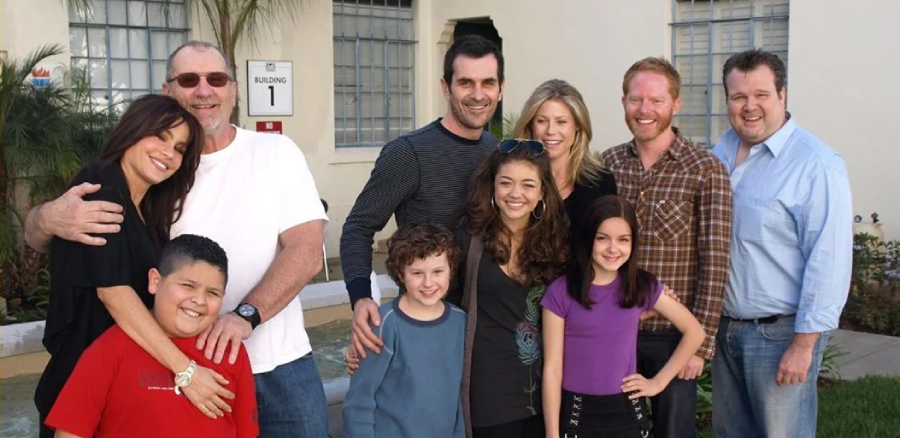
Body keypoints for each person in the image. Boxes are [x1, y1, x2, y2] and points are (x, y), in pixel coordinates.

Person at [25, 41, 330, 438]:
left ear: (233, 90)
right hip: (165, 367)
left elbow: (307, 253)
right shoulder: (143, 182)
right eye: (189, 79)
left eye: (216, 79)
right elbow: (58, 250)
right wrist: (47, 216)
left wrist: (245, 317)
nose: (204, 90)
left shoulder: (273, 151)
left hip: (277, 362)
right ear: (167, 92)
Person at [32, 94, 209, 438]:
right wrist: (186, 371)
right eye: (160, 136)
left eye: (179, 148)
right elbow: (112, 292)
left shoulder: (149, 213)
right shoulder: (102, 182)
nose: (168, 153)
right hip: (82, 391)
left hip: (121, 387)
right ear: (133, 130)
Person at [710, 49, 852, 438]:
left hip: (780, 335)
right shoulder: (718, 154)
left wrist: (804, 346)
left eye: (761, 94)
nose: (749, 106)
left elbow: (829, 261)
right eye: (738, 97)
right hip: (726, 330)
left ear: (782, 95)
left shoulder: (816, 164)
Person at [341, 34, 503, 360]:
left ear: (501, 88)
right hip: (422, 328)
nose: (477, 94)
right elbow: (358, 228)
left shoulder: (497, 154)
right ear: (446, 87)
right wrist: (361, 299)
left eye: (488, 82)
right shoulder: (408, 154)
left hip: (482, 329)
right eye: (465, 83)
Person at [598, 56, 732, 438]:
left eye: (656, 101)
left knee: (673, 433)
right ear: (623, 102)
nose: (645, 110)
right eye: (635, 99)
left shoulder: (704, 168)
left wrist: (699, 346)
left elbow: (716, 260)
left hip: (672, 336)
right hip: (615, 330)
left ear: (676, 104)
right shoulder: (607, 165)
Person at [45, 234, 258, 438]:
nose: (199, 300)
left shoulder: (227, 352)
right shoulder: (110, 348)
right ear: (155, 281)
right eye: (188, 286)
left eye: (213, 293)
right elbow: (70, 432)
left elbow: (246, 432)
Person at [541, 195, 704, 438]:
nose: (613, 248)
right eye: (602, 238)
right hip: (576, 411)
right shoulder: (562, 291)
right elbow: (552, 369)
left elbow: (695, 332)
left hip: (626, 411)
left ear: (633, 243)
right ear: (588, 239)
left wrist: (657, 383)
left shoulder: (641, 287)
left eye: (623, 240)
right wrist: (552, 435)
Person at [450, 140, 569, 438]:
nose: (516, 194)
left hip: (542, 393)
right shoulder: (467, 240)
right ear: (492, 187)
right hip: (486, 392)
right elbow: (433, 302)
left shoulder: (557, 244)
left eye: (528, 185)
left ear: (542, 192)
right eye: (506, 183)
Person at [342, 224, 466, 438]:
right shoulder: (382, 325)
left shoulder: (460, 321)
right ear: (401, 273)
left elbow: (458, 400)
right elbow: (359, 402)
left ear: (451, 270)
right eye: (417, 273)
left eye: (438, 271)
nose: (428, 283)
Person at [511, 79, 617, 243]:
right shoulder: (509, 177)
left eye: (561, 122)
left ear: (577, 126)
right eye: (542, 121)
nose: (551, 131)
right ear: (531, 125)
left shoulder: (600, 183)